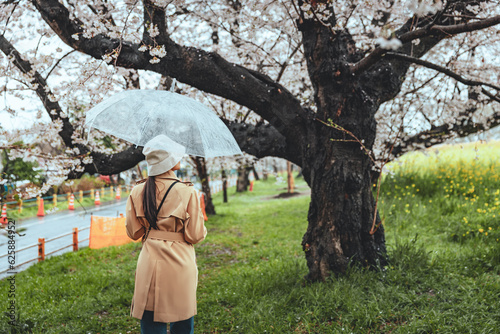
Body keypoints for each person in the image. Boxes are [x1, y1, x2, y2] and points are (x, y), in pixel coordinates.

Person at [125, 137, 207, 334]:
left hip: (149, 260)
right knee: (182, 320)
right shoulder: (187, 191)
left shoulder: (138, 190)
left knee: (151, 319)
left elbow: (133, 232)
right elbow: (195, 235)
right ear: (170, 160)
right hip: (180, 261)